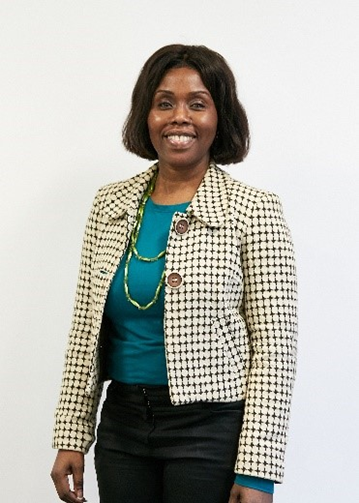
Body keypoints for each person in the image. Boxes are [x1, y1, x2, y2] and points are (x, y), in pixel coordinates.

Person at [50, 44, 297, 503]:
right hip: (122, 425)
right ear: (146, 115)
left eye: (197, 104)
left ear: (220, 117)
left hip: (211, 428)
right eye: (164, 103)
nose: (179, 117)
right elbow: (84, 328)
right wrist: (71, 434)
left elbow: (274, 350)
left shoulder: (255, 210)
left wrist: (259, 472)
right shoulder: (110, 205)